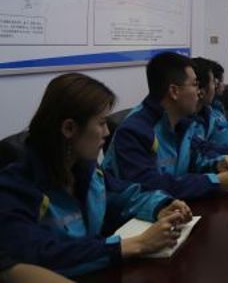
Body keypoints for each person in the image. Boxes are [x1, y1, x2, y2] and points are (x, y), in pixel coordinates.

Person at [0, 74, 192, 277]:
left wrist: (160, 206)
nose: (107, 132)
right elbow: (40, 255)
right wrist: (137, 244)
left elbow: (125, 195)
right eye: (101, 123)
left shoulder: (87, 170)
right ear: (69, 128)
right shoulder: (15, 189)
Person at [103, 52, 228, 200]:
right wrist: (213, 181)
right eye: (194, 85)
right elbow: (150, 186)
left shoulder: (182, 123)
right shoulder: (135, 131)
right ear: (174, 92)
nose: (198, 92)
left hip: (175, 206)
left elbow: (198, 155)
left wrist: (218, 164)